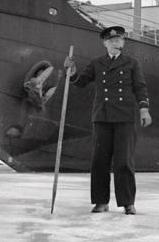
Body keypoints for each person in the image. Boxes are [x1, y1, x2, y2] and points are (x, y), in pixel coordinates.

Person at [64, 26, 152, 215]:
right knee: (99, 161)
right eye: (111, 41)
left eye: (118, 40)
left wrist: (144, 110)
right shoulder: (97, 63)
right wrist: (71, 72)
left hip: (124, 118)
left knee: (124, 161)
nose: (115, 43)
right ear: (105, 43)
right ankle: (101, 202)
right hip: (102, 117)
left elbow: (140, 87)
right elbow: (81, 82)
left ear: (123, 43)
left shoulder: (131, 63)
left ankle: (128, 202)